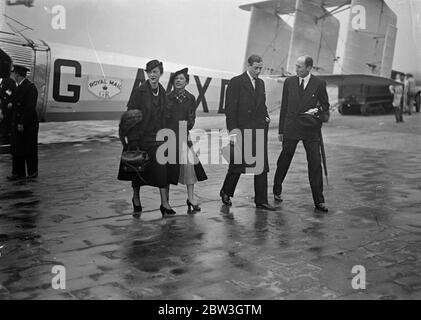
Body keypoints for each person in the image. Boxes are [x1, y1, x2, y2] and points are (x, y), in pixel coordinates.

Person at [117, 59, 175, 218]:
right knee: (137, 169)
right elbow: (130, 117)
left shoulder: (162, 92)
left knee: (162, 168)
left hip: (157, 138)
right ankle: (136, 198)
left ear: (160, 73)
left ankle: (164, 203)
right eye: (149, 72)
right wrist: (133, 140)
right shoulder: (139, 92)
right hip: (140, 137)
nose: (152, 75)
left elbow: (165, 116)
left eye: (155, 72)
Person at [273, 55, 330, 213]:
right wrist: (281, 130)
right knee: (284, 159)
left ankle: (319, 200)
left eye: (299, 66)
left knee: (315, 163)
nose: (296, 69)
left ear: (309, 68)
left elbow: (325, 105)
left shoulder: (319, 84)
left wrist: (316, 111)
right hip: (291, 128)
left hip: (310, 129)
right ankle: (277, 188)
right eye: (296, 66)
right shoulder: (289, 82)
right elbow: (284, 106)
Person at [219, 54, 275, 211]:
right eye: (256, 68)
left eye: (260, 68)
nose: (258, 71)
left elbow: (262, 104)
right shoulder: (236, 82)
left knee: (261, 165)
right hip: (242, 130)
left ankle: (261, 200)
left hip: (258, 129)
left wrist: (266, 118)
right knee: (237, 164)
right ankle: (226, 191)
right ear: (248, 66)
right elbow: (230, 110)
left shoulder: (261, 83)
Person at [166, 68, 208, 213]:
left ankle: (191, 198)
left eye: (181, 78)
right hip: (169, 136)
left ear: (187, 82)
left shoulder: (191, 98)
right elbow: (164, 118)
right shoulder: (167, 97)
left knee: (190, 167)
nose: (178, 81)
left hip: (184, 135)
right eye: (176, 78)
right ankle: (166, 202)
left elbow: (191, 118)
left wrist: (184, 128)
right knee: (168, 170)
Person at [7, 65, 39, 181]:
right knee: (17, 148)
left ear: (17, 74)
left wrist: (22, 123)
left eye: (13, 73)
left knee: (29, 148)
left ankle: (32, 172)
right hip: (18, 123)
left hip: (28, 124)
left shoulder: (30, 87)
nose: (12, 75)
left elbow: (30, 108)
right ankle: (18, 172)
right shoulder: (18, 87)